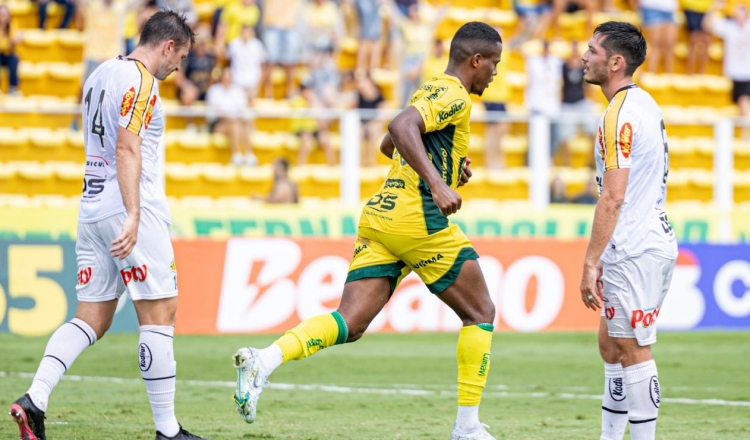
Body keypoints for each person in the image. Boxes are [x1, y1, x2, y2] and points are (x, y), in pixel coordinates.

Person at [231, 21, 502, 440]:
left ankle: (262, 360)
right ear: (476, 60)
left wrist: (445, 167)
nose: (496, 73)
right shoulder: (453, 94)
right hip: (417, 219)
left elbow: (389, 146)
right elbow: (400, 128)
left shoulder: (431, 88)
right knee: (480, 313)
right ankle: (466, 428)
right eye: (494, 64)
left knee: (350, 323)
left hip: (381, 216)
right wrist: (437, 182)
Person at [8, 11, 209, 440]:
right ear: (167, 46)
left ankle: (35, 399)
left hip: (91, 206)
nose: (179, 68)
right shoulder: (142, 82)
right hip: (130, 206)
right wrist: (134, 214)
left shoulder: (99, 74)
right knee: (160, 312)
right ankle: (167, 430)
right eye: (181, 57)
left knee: (92, 317)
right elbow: (127, 148)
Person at [579, 21, 677, 440]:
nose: (584, 56)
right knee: (611, 344)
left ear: (616, 62)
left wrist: (591, 261)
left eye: (593, 51)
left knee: (633, 349)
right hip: (645, 239)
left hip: (634, 246)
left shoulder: (617, 114)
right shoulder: (644, 103)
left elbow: (613, 196)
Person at [704, 2, 750, 139]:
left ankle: (745, 134)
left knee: (743, 101)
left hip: (745, 73)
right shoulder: (730, 27)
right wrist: (714, 8)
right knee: (741, 102)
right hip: (736, 72)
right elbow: (707, 25)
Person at [206, 68, 257, 166]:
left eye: (229, 75)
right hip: (218, 124)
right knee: (235, 125)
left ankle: (248, 155)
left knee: (242, 126)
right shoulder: (214, 90)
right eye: (225, 75)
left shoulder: (237, 91)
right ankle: (236, 155)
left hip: (237, 122)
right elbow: (215, 112)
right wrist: (230, 118)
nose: (227, 78)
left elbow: (243, 109)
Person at [0, 3, 20, 95]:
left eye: (4, 15)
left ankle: (12, 87)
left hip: (7, 54)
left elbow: (14, 38)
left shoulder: (12, 25)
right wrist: (11, 42)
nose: (2, 18)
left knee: (15, 59)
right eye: (1, 15)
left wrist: (12, 41)